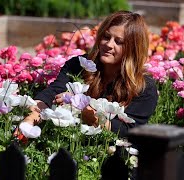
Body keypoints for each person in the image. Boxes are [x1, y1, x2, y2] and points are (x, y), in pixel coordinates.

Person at [20, 10, 158, 138]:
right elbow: (51, 94)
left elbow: (129, 131)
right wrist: (30, 120)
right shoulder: (79, 65)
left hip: (110, 154)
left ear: (133, 49)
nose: (109, 44)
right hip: (70, 141)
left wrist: (85, 109)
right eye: (106, 36)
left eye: (118, 41)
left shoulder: (144, 87)